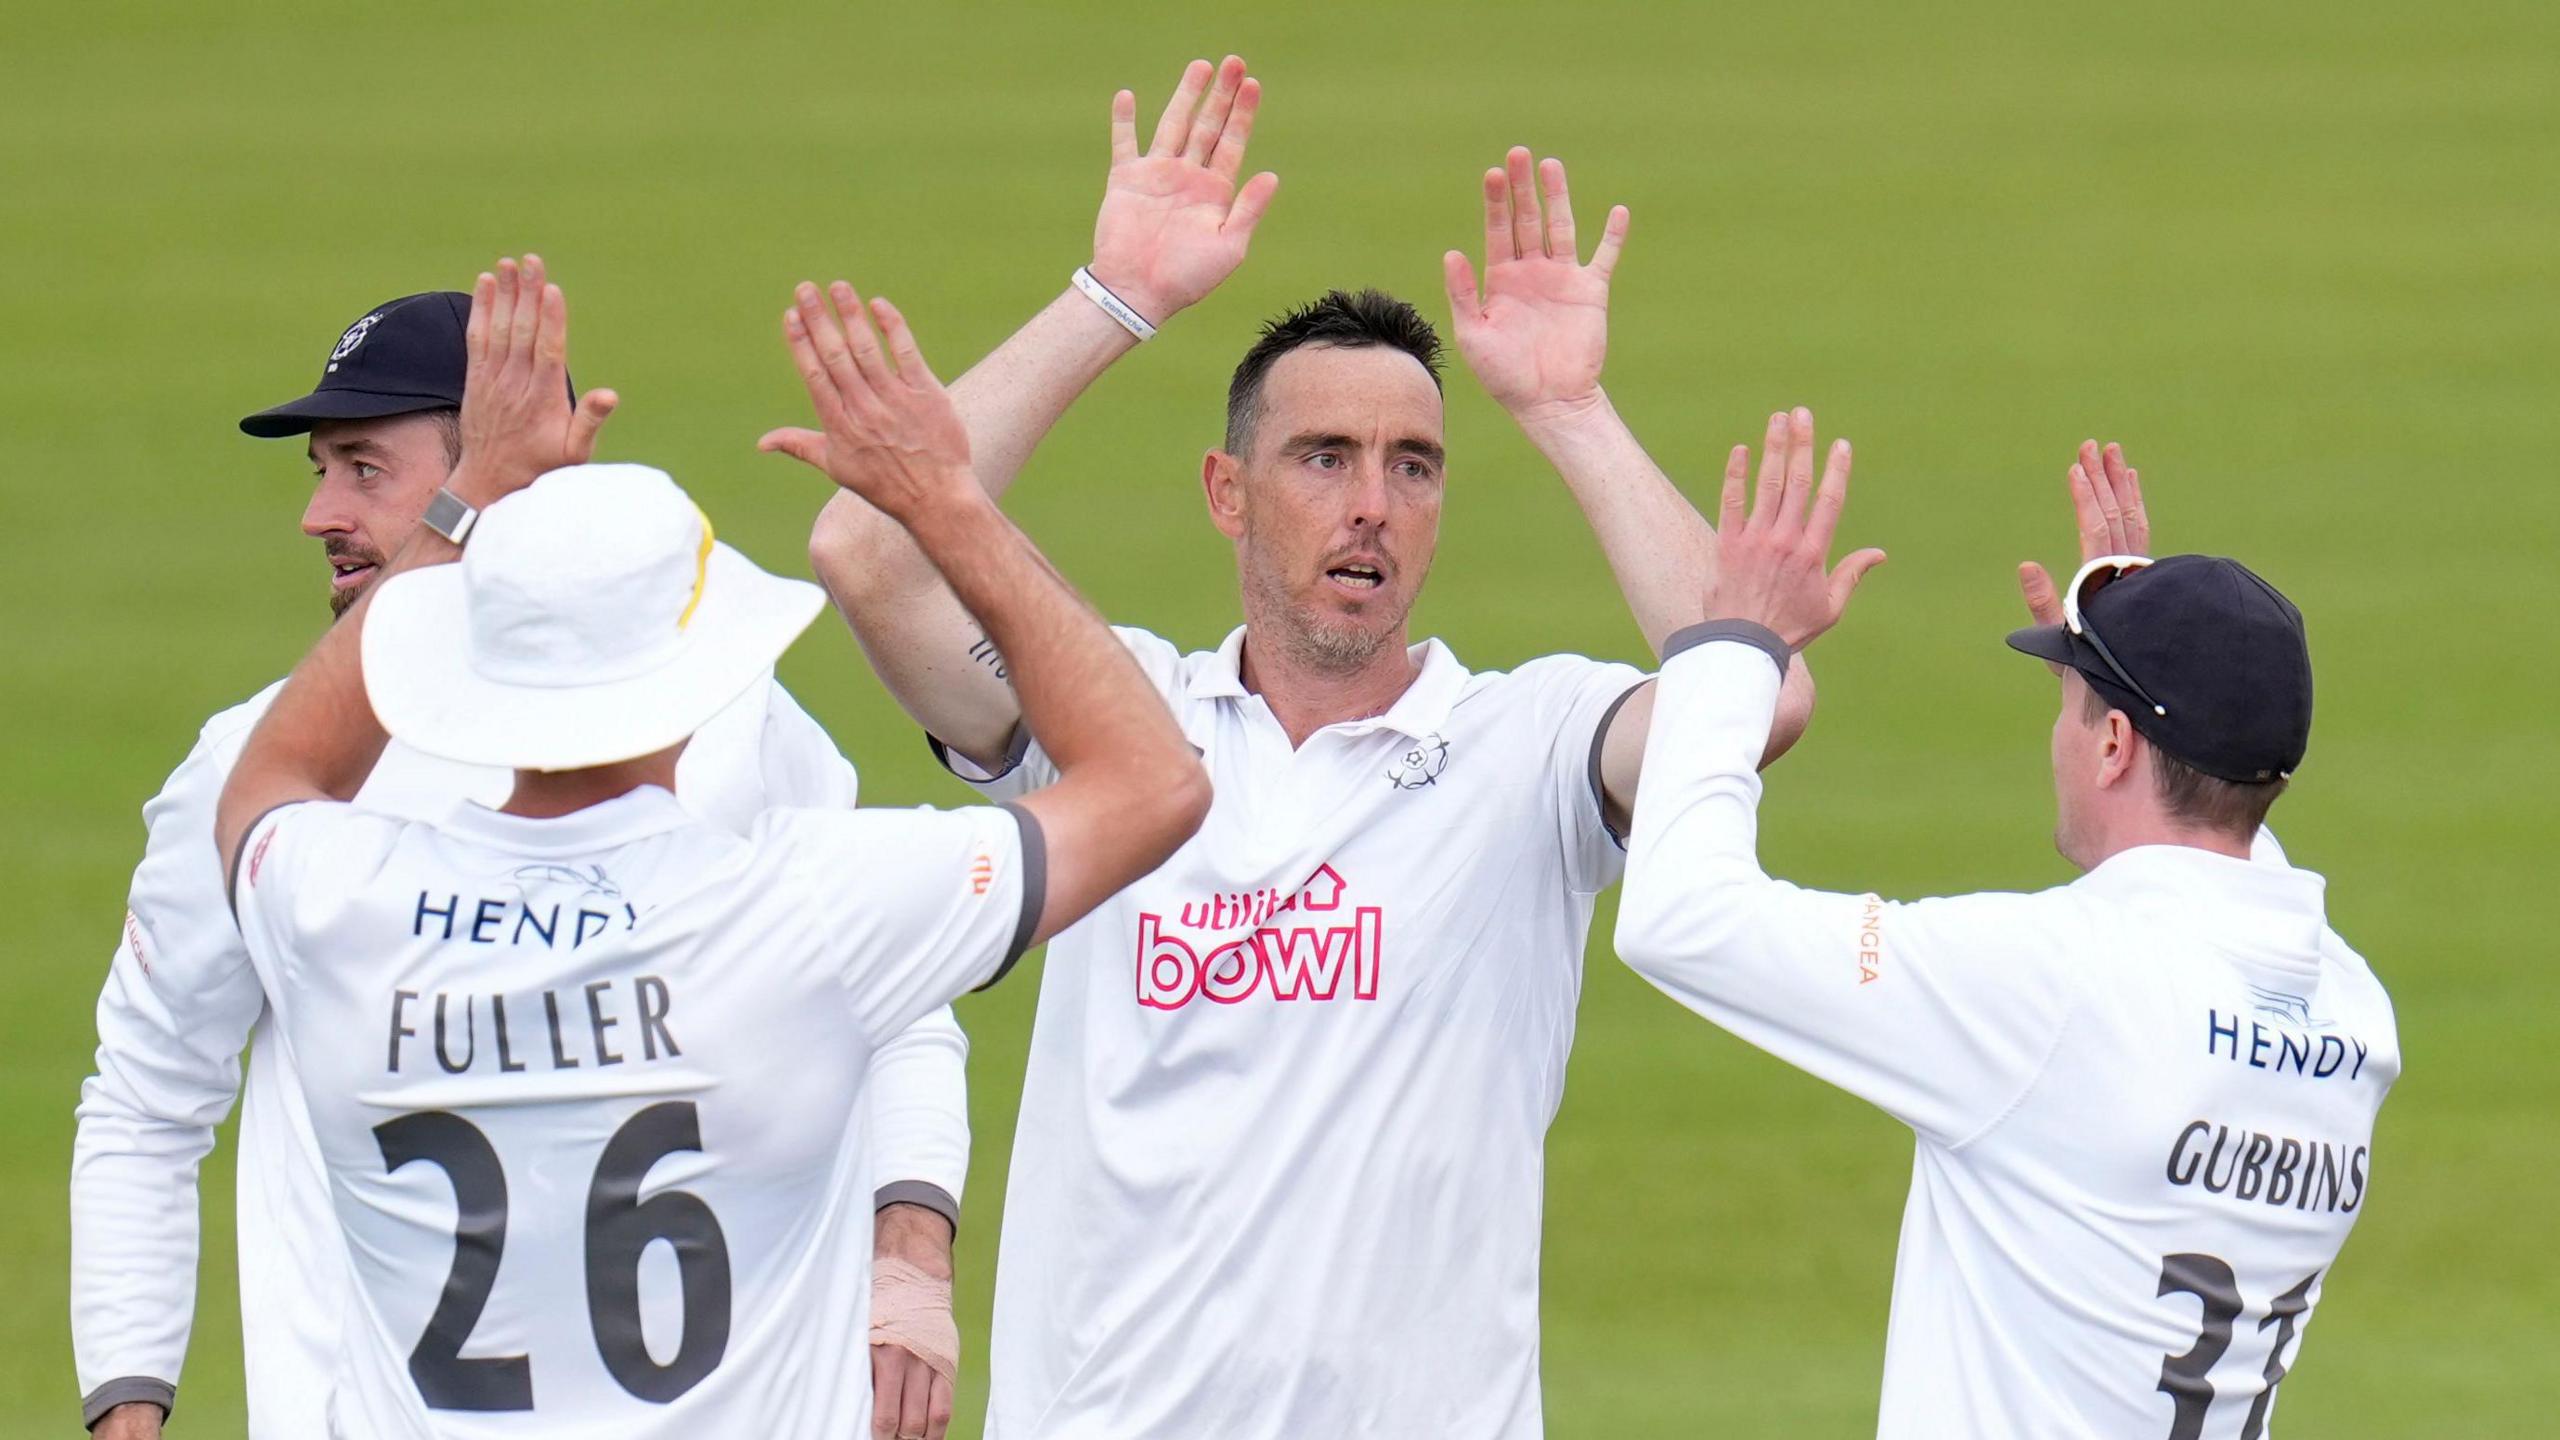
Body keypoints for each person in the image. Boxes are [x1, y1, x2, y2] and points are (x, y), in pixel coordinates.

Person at [786, 57, 1811, 1437]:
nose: (1373, 504)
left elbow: (1759, 690)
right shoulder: (1116, 725)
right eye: (1323, 457)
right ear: (1229, 491)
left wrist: (1568, 410)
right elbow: (866, 548)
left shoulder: (1527, 745)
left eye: (1414, 464)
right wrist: (1116, 301)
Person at [209, 259, 1206, 1438]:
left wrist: (469, 496)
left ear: (462, 665)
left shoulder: (336, 903)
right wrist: (945, 505)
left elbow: (276, 777)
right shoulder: (802, 912)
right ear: (693, 683)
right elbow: (1154, 781)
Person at [72, 275, 971, 1438]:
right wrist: (127, 1411)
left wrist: (907, 1252)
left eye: (363, 468)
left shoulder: (725, 720)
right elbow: (147, 1101)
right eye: (321, 473)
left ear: (497, 477)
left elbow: (898, 998)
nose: (320, 514)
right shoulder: (249, 761)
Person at [1614, 431, 2399, 1437]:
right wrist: (2145, 674)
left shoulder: (2047, 986)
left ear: (2114, 745)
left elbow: (1682, 919)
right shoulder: (2351, 1015)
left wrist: (1737, 642)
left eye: (2077, 709)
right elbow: (2225, 837)